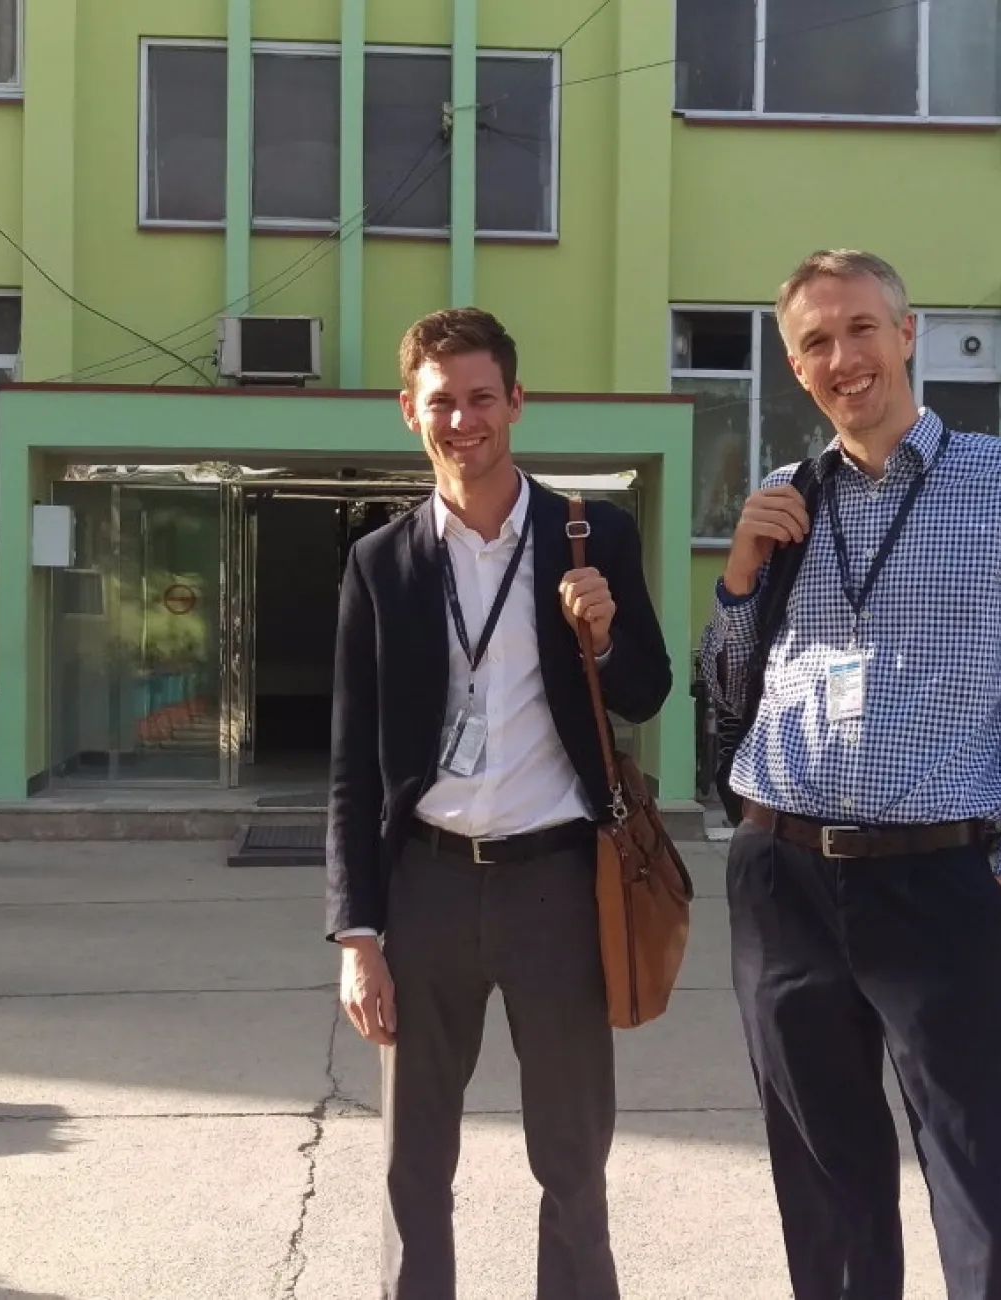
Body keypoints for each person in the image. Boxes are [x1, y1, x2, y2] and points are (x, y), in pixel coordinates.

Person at [699, 249, 1001, 1299]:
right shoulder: (782, 496)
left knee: (981, 1178)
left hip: (942, 879)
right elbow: (724, 696)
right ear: (795, 367)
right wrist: (736, 580)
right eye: (814, 341)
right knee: (824, 1188)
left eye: (860, 328)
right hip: (782, 877)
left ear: (907, 336)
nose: (841, 356)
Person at [326, 307, 672, 1299]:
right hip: (425, 886)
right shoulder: (380, 562)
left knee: (572, 1159)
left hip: (557, 884)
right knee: (412, 1163)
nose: (463, 419)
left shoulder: (590, 532)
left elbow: (646, 690)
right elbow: (351, 758)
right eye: (442, 401)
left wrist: (604, 636)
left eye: (482, 397)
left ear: (516, 402)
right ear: (408, 412)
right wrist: (357, 935)